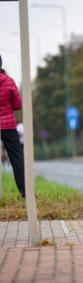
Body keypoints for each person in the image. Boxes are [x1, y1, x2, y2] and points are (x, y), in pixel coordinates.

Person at [0, 54, 26, 198]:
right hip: (8, 126)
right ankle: (27, 194)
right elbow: (18, 104)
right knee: (17, 159)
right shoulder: (9, 81)